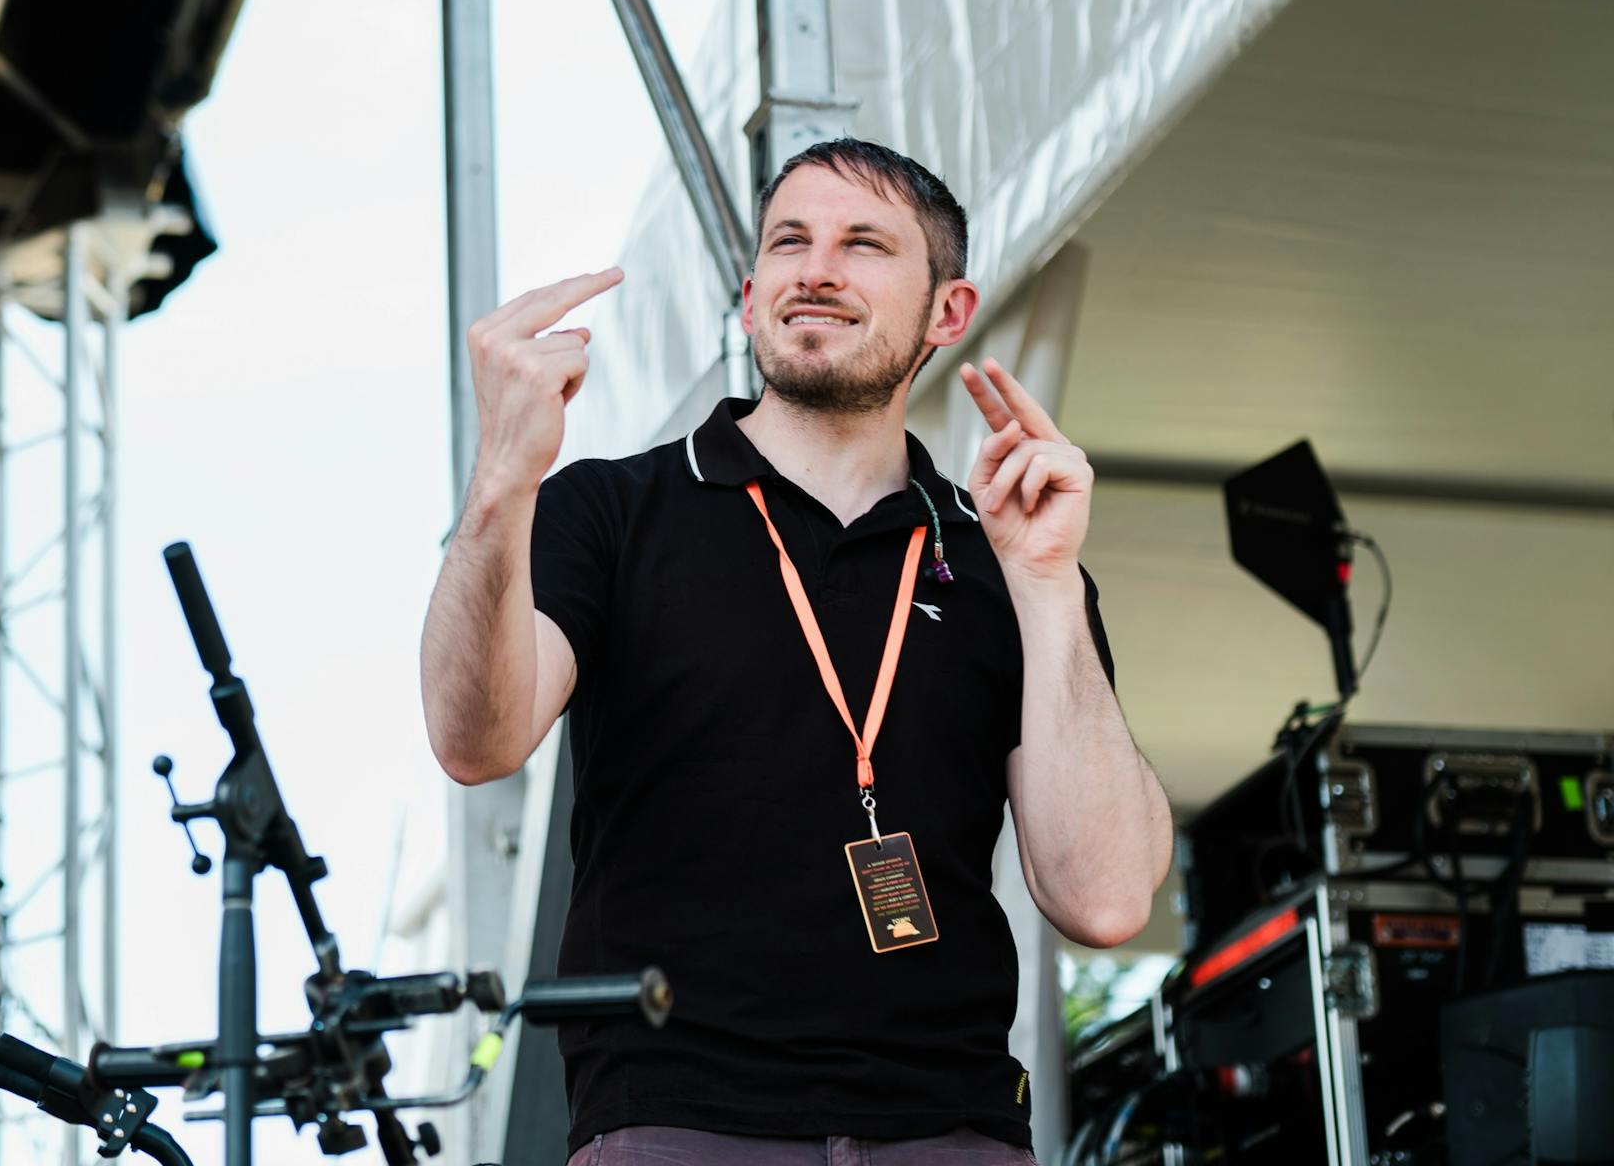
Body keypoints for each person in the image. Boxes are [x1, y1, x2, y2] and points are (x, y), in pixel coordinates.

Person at [420, 139, 1172, 1164]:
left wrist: (1045, 587)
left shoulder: (1007, 555)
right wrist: (502, 478)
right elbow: (475, 742)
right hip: (676, 1117)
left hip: (951, 1128)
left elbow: (1106, 899)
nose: (815, 268)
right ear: (748, 296)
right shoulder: (609, 509)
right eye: (788, 242)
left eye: (862, 243)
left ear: (947, 314)